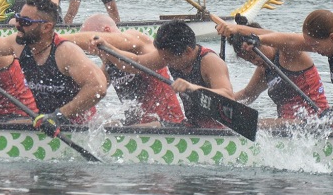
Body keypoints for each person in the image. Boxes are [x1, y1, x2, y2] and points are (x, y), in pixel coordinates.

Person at [219, 10, 333, 131]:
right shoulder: (331, 46)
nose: (312, 50)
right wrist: (250, 35)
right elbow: (288, 38)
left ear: (332, 38)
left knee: (256, 125)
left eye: (314, 45)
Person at [0, 0, 106, 127]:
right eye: (18, 18)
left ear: (46, 27)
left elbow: (98, 86)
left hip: (79, 126)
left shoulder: (65, 52)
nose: (17, 24)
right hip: (43, 122)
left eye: (25, 21)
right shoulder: (19, 45)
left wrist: (59, 116)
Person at [97, 19, 233, 129]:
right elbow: (136, 63)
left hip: (218, 129)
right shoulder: (169, 54)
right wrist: (108, 48)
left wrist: (192, 87)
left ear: (187, 51)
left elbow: (228, 95)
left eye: (168, 59)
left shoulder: (210, 61)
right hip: (191, 125)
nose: (164, 61)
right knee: (132, 128)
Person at [62, 14, 184, 126]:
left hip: (167, 122)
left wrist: (56, 39)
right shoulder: (108, 63)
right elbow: (93, 91)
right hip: (137, 125)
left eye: (91, 46)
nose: (91, 51)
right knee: (101, 125)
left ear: (106, 32)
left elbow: (91, 38)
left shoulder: (135, 39)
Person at [215, 19, 329, 127]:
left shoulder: (288, 54)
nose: (255, 61)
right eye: (249, 60)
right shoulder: (264, 69)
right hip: (289, 126)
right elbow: (247, 95)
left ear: (265, 43)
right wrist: (221, 103)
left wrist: (240, 29)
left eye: (253, 56)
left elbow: (287, 38)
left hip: (315, 121)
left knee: (253, 124)